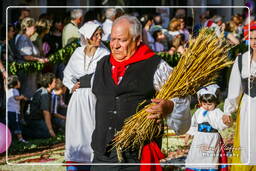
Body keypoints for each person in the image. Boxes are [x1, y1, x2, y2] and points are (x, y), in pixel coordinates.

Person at [90, 15, 191, 171]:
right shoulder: (101, 64)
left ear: (137, 40)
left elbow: (182, 97)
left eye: (121, 40)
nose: (115, 45)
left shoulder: (156, 65)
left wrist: (168, 107)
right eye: (112, 39)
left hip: (136, 156)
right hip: (103, 155)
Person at [63, 21, 110, 170]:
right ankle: (76, 161)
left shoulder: (105, 53)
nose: (99, 38)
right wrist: (72, 86)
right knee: (77, 130)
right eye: (95, 35)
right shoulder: (78, 52)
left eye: (100, 34)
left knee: (93, 128)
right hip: (78, 99)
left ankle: (93, 161)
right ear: (88, 37)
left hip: (96, 97)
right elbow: (67, 74)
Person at [224, 22, 256, 170]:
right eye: (252, 38)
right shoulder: (242, 60)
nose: (254, 42)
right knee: (248, 143)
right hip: (248, 108)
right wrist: (228, 111)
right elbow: (234, 90)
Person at [185, 84, 232, 171]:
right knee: (197, 156)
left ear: (215, 102)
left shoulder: (217, 112)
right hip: (199, 138)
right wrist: (189, 133)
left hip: (212, 139)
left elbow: (222, 124)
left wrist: (225, 122)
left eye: (210, 104)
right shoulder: (198, 112)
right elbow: (194, 124)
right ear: (201, 103)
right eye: (204, 103)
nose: (207, 106)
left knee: (210, 157)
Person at [15, 17, 48, 99]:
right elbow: (26, 56)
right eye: (34, 27)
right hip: (26, 73)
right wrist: (39, 59)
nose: (35, 29)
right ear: (27, 27)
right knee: (26, 95)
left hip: (29, 73)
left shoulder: (25, 38)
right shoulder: (23, 38)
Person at [23, 73, 56, 139]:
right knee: (47, 134)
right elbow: (45, 112)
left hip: (38, 118)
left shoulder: (44, 90)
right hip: (33, 119)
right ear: (49, 84)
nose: (56, 83)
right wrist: (50, 130)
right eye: (54, 82)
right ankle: (24, 132)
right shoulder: (45, 94)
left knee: (55, 127)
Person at [7, 75, 28, 143]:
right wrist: (22, 97)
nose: (20, 82)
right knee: (16, 124)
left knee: (11, 124)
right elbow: (16, 98)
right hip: (14, 111)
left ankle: (11, 138)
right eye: (18, 81)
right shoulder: (15, 90)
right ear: (15, 83)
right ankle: (20, 138)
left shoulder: (9, 90)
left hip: (9, 111)